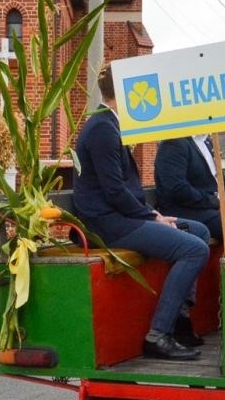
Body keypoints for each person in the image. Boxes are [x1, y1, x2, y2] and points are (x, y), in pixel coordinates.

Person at [72, 63, 211, 360]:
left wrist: (152, 214)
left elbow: (123, 190)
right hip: (109, 223)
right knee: (195, 249)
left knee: (199, 229)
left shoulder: (108, 124)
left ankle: (182, 318)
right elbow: (114, 192)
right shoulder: (102, 128)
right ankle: (159, 333)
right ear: (122, 92)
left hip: (122, 215)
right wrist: (152, 217)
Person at [153, 134, 225, 240]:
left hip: (214, 207)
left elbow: (219, 178)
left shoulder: (208, 141)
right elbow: (178, 190)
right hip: (188, 211)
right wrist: (217, 203)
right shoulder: (173, 143)